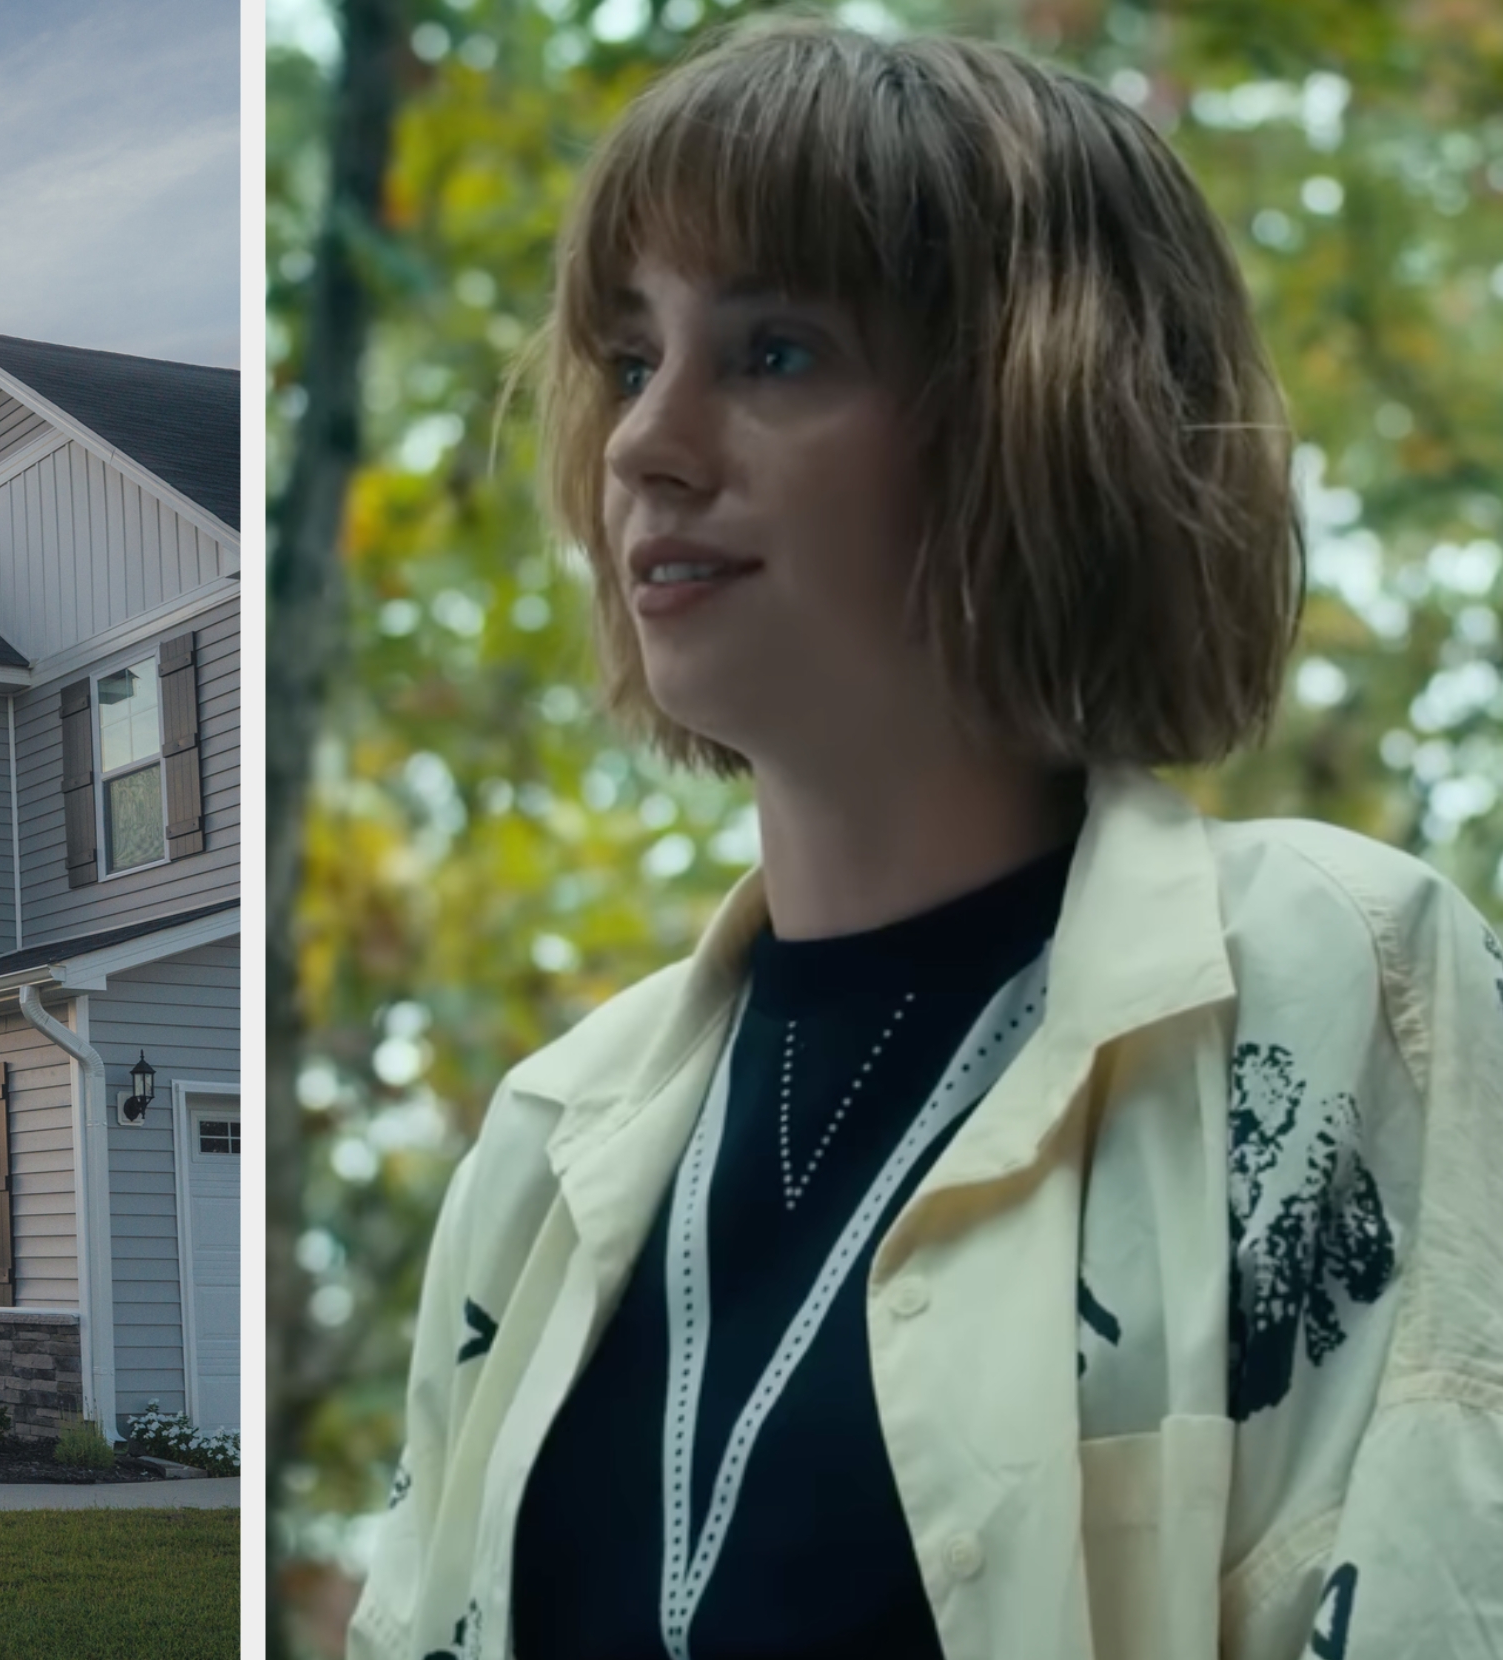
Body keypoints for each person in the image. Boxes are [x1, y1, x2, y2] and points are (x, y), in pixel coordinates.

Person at [343, 14, 1503, 1660]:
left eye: (775, 352)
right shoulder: (544, 1154)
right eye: (628, 358)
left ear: (1038, 419)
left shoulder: (1339, 992)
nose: (642, 445)